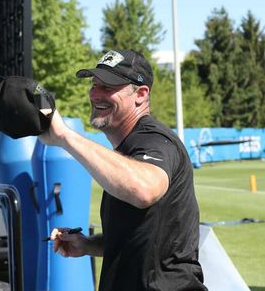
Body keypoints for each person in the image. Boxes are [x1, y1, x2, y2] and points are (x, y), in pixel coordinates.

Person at [39, 50, 207, 291]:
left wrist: (64, 136)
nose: (95, 94)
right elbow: (137, 240)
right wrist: (88, 245)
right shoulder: (126, 150)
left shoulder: (155, 139)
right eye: (94, 85)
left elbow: (145, 190)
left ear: (140, 94)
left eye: (108, 87)